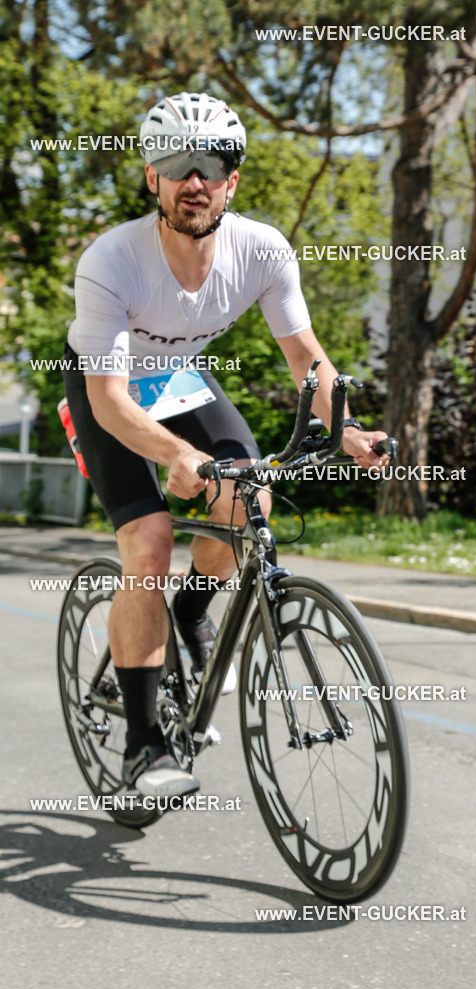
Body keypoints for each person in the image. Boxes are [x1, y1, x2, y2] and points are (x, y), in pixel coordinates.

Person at [63, 91, 389, 798]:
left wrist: (347, 429)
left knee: (250, 495)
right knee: (148, 543)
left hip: (179, 380)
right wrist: (176, 457)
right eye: (176, 162)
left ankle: (192, 609)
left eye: (212, 163)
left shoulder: (261, 249)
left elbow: (306, 357)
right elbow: (110, 400)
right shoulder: (111, 260)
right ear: (152, 176)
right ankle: (144, 745)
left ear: (232, 179)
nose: (195, 178)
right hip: (107, 390)